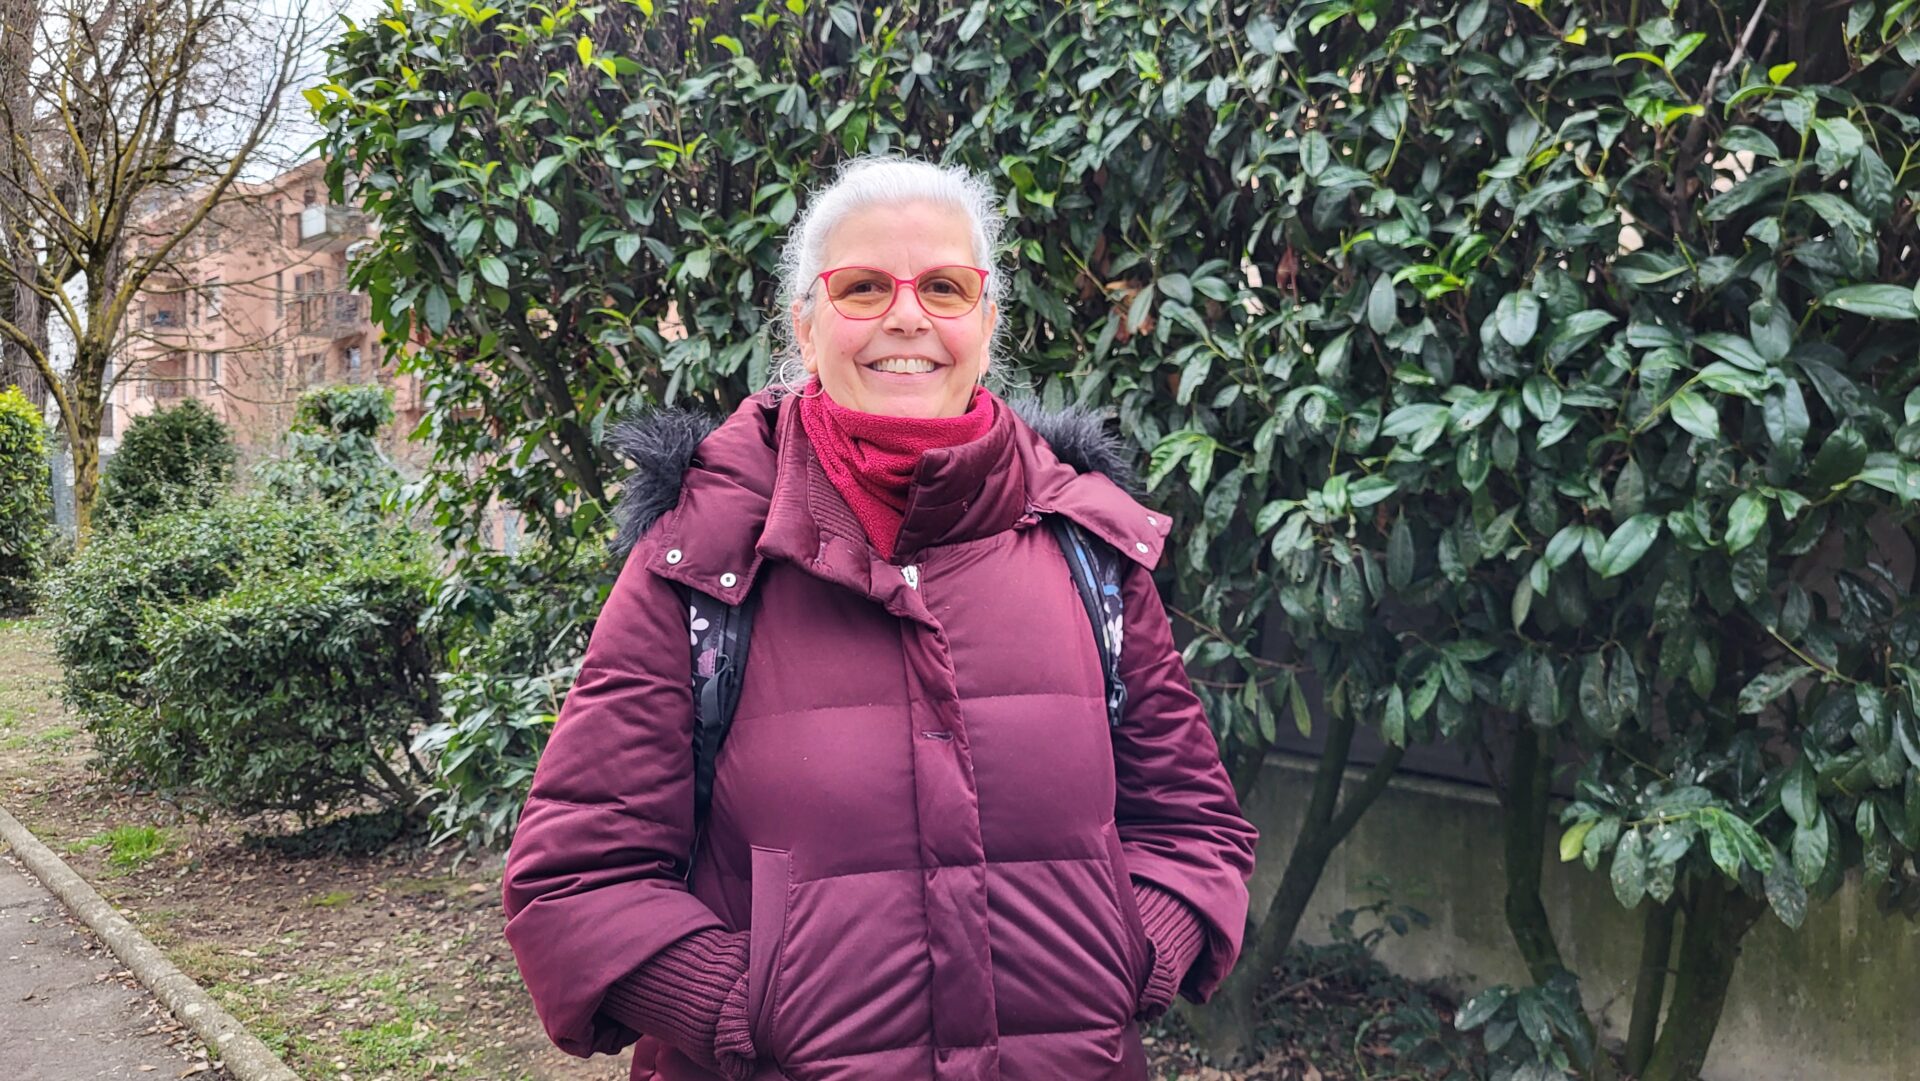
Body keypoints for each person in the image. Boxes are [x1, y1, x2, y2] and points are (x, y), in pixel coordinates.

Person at [502, 157, 1258, 1081]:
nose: (908, 316)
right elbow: (575, 880)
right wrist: (749, 1009)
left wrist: (1132, 953)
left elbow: (1193, 827)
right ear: (806, 326)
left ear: (986, 322)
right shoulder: (701, 560)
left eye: (944, 286)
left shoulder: (1088, 548)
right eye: (863, 287)